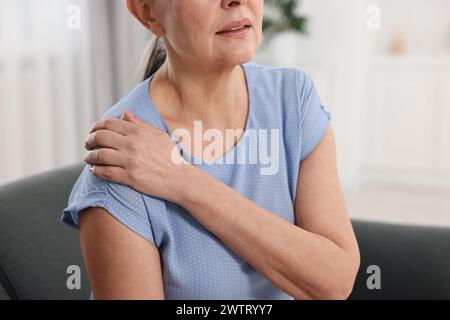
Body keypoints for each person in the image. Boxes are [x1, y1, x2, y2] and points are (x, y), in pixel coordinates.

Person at [61, 0, 360, 300]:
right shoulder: (122, 159)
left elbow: (335, 281)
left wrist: (183, 180)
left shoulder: (293, 99)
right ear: (147, 12)